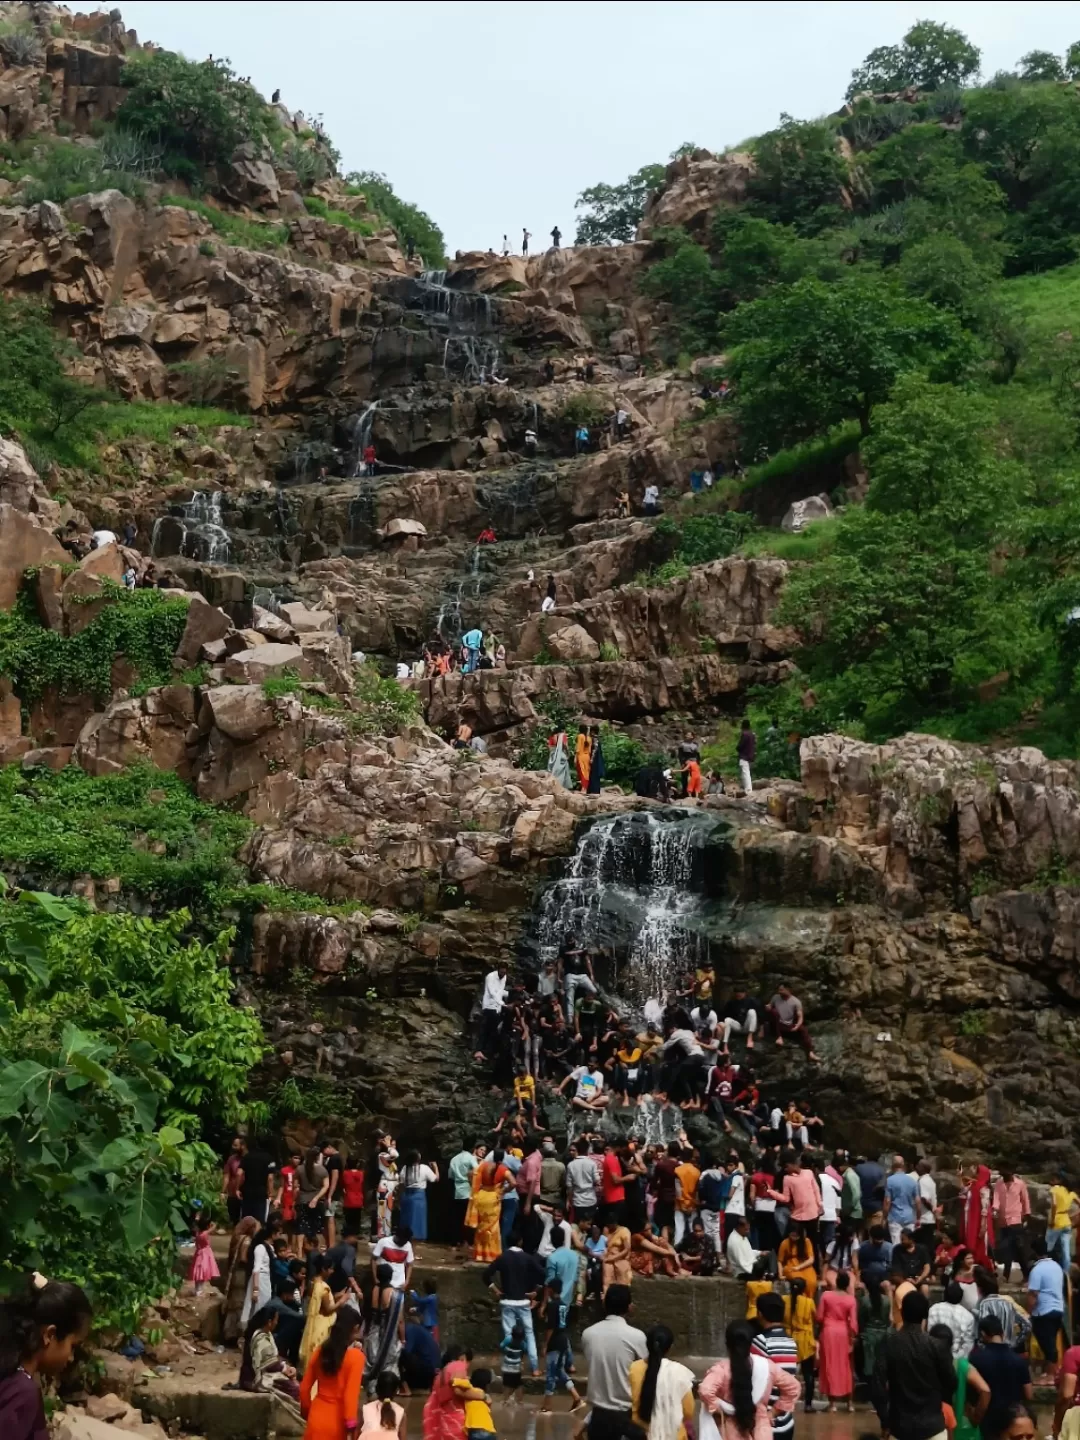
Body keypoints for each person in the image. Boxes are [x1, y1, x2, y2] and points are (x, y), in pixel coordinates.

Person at [0, 1274, 92, 1440]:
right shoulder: (22, 1393)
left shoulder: (9, 1374)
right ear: (50, 1335)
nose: (71, 1357)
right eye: (72, 1346)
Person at [871, 1290, 956, 1440]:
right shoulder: (936, 1346)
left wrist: (885, 1421)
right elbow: (951, 1383)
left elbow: (877, 1387)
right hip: (933, 1427)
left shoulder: (889, 1343)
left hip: (900, 1428)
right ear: (925, 1315)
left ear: (902, 1313)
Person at [701, 1319, 801, 1440]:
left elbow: (705, 1390)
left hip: (730, 1431)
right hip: (761, 1430)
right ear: (751, 1343)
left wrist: (718, 1408)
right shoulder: (766, 1367)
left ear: (727, 1344)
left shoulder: (721, 1370)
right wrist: (773, 1412)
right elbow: (794, 1387)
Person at [582, 1284, 648, 1439]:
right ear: (629, 1307)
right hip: (625, 1415)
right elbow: (645, 1371)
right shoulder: (637, 1337)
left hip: (597, 1417)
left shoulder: (588, 1334)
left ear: (605, 1305)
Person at [483, 1233, 544, 1377]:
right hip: (523, 1301)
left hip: (507, 1301)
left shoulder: (502, 1258)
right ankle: (535, 1368)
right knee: (529, 1334)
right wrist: (536, 1291)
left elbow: (486, 1275)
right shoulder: (527, 1258)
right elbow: (543, 1274)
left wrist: (496, 1291)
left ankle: (510, 1366)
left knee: (509, 1336)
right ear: (520, 1241)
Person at [301, 1308, 365, 1438]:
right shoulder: (356, 1357)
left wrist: (307, 1412)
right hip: (336, 1423)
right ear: (355, 1328)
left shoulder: (320, 1352)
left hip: (315, 1419)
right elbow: (350, 1396)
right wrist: (351, 1426)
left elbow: (304, 1389)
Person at [968, 1314, 1033, 1440]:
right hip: (1013, 1423)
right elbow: (1029, 1394)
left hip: (987, 1422)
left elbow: (971, 1396)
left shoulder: (976, 1359)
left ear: (982, 1334)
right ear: (1002, 1333)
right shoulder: (1018, 1360)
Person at [629, 1323, 695, 1440]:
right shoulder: (678, 1372)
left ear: (647, 1345)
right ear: (669, 1347)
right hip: (675, 1435)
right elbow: (688, 1411)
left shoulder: (633, 1368)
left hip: (640, 1433)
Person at [239, 1306, 299, 1403]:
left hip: (263, 1372)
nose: (277, 1323)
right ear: (269, 1322)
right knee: (294, 1389)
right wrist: (285, 1369)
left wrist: (286, 1366)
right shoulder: (261, 1339)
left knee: (292, 1380)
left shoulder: (267, 1334)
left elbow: (273, 1358)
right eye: (276, 1320)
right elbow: (270, 1364)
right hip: (255, 1379)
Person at [817, 1271, 858, 1412]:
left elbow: (819, 1317)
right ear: (847, 1284)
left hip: (828, 1332)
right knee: (847, 1367)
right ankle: (850, 1404)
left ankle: (832, 1404)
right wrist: (853, 1338)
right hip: (843, 1333)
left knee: (829, 1365)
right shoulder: (851, 1299)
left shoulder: (826, 1295)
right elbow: (853, 1323)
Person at [1026, 1235, 1065, 1379]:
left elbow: (1033, 1295)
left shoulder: (1037, 1270)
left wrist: (1028, 1312)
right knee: (1050, 1341)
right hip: (1058, 1309)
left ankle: (1051, 1375)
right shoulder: (1057, 1266)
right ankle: (1049, 1371)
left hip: (1044, 1311)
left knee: (1047, 1344)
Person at [300, 1253, 347, 1370]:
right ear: (323, 1269)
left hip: (314, 1321)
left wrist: (337, 1296)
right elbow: (328, 1308)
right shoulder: (323, 1287)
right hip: (322, 1324)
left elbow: (321, 1303)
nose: (332, 1271)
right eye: (330, 1268)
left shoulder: (312, 1283)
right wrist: (342, 1301)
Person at [366, 1261, 406, 1394]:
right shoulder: (394, 1295)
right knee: (388, 1365)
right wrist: (403, 1338)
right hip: (388, 1337)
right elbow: (400, 1321)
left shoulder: (373, 1289)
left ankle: (372, 1391)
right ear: (391, 1276)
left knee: (372, 1362)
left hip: (372, 1333)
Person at [782, 1278, 817, 1411]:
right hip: (805, 1340)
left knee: (785, 1373)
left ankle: (784, 1401)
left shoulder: (784, 1300)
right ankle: (808, 1405)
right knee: (808, 1374)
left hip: (788, 1338)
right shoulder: (809, 1302)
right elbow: (816, 1317)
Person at [423, 1345, 471, 1440]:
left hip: (443, 1421)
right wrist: (482, 1396)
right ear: (462, 1358)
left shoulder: (439, 1376)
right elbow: (457, 1390)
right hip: (456, 1421)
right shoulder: (459, 1366)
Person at [993, 1168, 1030, 1286]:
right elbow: (996, 1198)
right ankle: (1009, 1275)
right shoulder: (999, 1184)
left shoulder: (1020, 1184)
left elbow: (1025, 1200)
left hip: (1016, 1220)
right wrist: (995, 1210)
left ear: (1011, 1173)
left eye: (1005, 1174)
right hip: (1003, 1220)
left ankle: (1012, 1275)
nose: (1003, 1177)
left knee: (1017, 1248)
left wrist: (1026, 1216)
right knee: (1007, 1248)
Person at [766, 986, 820, 1062]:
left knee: (803, 1029)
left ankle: (810, 1053)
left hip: (787, 1025)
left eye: (782, 990)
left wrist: (797, 1026)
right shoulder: (775, 997)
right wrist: (768, 1007)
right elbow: (770, 1006)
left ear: (788, 990)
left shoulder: (796, 1001)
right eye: (779, 990)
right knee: (774, 1012)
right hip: (776, 1025)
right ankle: (779, 1037)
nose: (780, 992)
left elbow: (800, 1017)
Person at [398, 1152, 439, 1243]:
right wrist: (435, 1167)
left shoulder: (405, 1168)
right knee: (416, 1223)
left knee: (406, 1221)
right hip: (418, 1196)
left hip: (407, 1195)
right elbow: (435, 1179)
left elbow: (401, 1182)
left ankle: (405, 1245)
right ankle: (413, 1247)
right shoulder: (424, 1168)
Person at [962, 1163, 996, 1272]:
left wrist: (983, 1224)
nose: (973, 1173)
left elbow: (985, 1208)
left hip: (978, 1220)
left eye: (976, 1171)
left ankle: (983, 1266)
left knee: (980, 1242)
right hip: (971, 1219)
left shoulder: (983, 1188)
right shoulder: (973, 1185)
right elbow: (963, 1190)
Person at [929, 1281, 976, 1359]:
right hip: (957, 1359)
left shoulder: (934, 1309)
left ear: (945, 1294)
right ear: (961, 1297)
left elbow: (930, 1334)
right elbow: (968, 1344)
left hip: (934, 1356)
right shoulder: (968, 1316)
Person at [885, 1156, 921, 1246]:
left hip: (894, 1216)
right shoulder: (912, 1181)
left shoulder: (889, 1181)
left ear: (892, 1166)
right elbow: (918, 1201)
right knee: (910, 1243)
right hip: (909, 1216)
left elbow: (887, 1201)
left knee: (896, 1244)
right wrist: (918, 1217)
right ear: (903, 1165)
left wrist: (884, 1216)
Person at [1048, 1172, 1079, 1272]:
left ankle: (1054, 1270)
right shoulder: (1071, 1193)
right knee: (1066, 1250)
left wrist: (1052, 1220)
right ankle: (1066, 1273)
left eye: (1053, 1180)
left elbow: (1054, 1205)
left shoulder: (1054, 1190)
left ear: (1059, 1181)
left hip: (1057, 1221)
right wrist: (1074, 1215)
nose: (1051, 1182)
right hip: (1066, 1221)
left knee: (1051, 1248)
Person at [371, 1224, 414, 1292]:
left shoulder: (408, 1245)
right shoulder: (383, 1242)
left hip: (400, 1283)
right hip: (385, 1282)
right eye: (403, 1241)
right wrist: (375, 1278)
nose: (404, 1243)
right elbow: (373, 1259)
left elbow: (410, 1264)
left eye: (406, 1241)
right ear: (397, 1236)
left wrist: (407, 1281)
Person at [188, 1214, 220, 1295]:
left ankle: (197, 1289)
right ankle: (199, 1290)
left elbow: (196, 1225)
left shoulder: (197, 1233)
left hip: (199, 1252)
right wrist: (211, 1224)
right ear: (207, 1226)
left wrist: (197, 1219)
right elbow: (214, 1226)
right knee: (202, 1271)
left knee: (198, 1271)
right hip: (205, 1254)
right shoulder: (205, 1234)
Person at [737, 720, 756, 797]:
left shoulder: (745, 734)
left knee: (745, 773)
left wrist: (737, 748)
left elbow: (740, 746)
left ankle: (748, 790)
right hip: (750, 756)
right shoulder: (752, 734)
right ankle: (747, 789)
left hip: (744, 756)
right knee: (746, 773)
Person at [575, 725, 593, 792]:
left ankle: (583, 788)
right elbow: (590, 750)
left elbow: (578, 748)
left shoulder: (580, 736)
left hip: (581, 756)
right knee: (586, 773)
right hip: (587, 756)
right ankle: (585, 788)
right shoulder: (589, 738)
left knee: (581, 772)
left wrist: (575, 757)